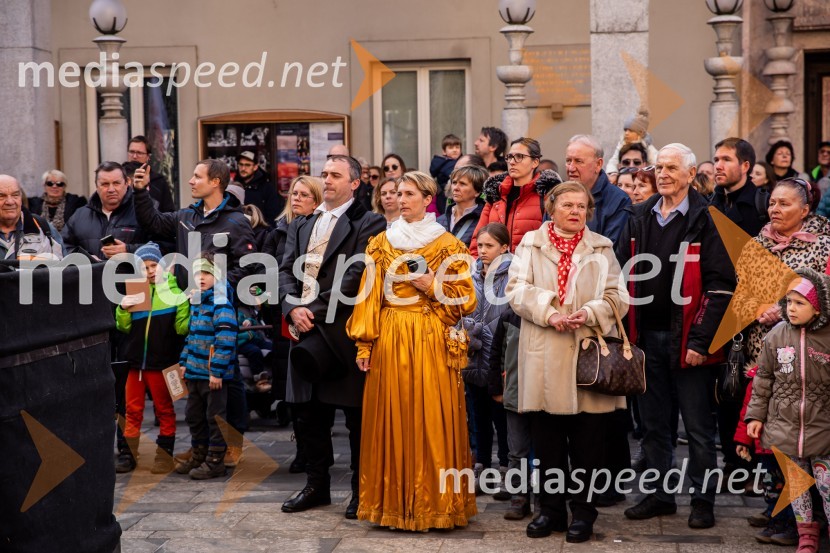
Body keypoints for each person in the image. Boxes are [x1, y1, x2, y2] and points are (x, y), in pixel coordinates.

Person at [346, 170, 477, 531]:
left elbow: (466, 300)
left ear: (428, 199)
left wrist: (432, 285)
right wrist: (364, 344)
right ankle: (393, 507)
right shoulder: (381, 243)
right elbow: (368, 297)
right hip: (390, 336)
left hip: (431, 337)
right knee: (392, 417)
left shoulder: (447, 244)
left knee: (432, 417)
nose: (401, 200)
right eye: (397, 193)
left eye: (409, 194)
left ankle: (435, 506)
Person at [617, 143, 736, 529]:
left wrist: (700, 341)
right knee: (653, 425)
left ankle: (703, 500)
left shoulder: (708, 218)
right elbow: (620, 271)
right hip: (645, 337)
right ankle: (659, 495)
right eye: (659, 167)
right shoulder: (639, 216)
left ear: (690, 174)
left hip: (688, 340)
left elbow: (721, 286)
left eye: (671, 168)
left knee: (698, 428)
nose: (663, 174)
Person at [506, 180, 627, 542]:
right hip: (544, 353)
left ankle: (584, 514)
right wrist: (550, 312)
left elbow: (617, 296)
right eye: (568, 205)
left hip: (589, 357)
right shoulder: (530, 243)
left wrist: (590, 312)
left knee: (589, 446)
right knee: (548, 445)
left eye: (581, 206)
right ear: (551, 208)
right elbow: (516, 289)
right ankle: (551, 511)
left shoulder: (601, 247)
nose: (575, 212)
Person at [278, 155, 386, 519]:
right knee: (309, 415)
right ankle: (316, 486)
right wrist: (291, 308)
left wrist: (311, 310)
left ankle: (360, 491)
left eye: (335, 175)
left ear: (354, 183)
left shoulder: (369, 222)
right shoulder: (302, 223)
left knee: (355, 419)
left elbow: (357, 276)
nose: (326, 180)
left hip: (342, 332)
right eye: (324, 174)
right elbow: (284, 269)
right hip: (302, 330)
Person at [745, 268, 830, 553]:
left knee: (826, 486)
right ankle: (806, 534)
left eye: (799, 303)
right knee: (797, 486)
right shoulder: (777, 335)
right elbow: (763, 379)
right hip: (786, 426)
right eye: (788, 302)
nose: (791, 308)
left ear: (817, 308)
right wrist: (755, 416)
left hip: (823, 428)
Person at [114, 242, 189, 474]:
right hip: (135, 364)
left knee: (164, 409)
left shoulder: (175, 294)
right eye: (144, 267)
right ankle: (128, 454)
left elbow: (182, 328)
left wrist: (188, 305)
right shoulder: (136, 292)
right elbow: (124, 327)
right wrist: (122, 309)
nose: (150, 271)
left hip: (162, 364)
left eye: (154, 265)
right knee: (132, 410)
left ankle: (164, 456)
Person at [174, 253, 238, 479]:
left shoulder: (221, 304)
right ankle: (199, 454)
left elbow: (225, 339)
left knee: (215, 418)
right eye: (197, 273)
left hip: (212, 377)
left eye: (207, 273)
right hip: (194, 373)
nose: (201, 277)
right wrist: (184, 362)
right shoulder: (197, 302)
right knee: (194, 415)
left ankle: (215, 461)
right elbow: (191, 337)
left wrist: (217, 371)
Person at [462, 223, 511, 496]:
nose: (482, 251)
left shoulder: (513, 274)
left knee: (501, 417)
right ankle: (482, 468)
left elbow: (511, 314)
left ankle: (505, 468)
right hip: (473, 356)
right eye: (480, 245)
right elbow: (460, 310)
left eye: (489, 246)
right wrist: (468, 332)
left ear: (504, 247)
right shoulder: (469, 274)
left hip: (498, 358)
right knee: (478, 417)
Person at [469, 137, 561, 256]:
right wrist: (477, 264)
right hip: (496, 265)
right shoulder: (496, 193)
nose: (512, 162)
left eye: (519, 156)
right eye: (510, 157)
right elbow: (477, 239)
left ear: (535, 162)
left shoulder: (547, 195)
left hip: (530, 265)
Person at [62, 161, 150, 259]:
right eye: (105, 184)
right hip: (90, 269)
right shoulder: (79, 216)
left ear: (127, 183)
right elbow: (64, 247)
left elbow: (160, 245)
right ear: (96, 186)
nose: (111, 189)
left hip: (132, 269)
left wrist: (129, 250)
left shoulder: (144, 211)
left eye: (116, 183)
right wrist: (85, 258)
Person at [565, 134, 632, 245]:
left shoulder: (619, 201)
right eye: (568, 161)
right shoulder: (557, 197)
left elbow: (609, 248)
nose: (571, 168)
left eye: (578, 161)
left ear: (598, 164)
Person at [711, 137, 767, 237]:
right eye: (716, 160)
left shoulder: (764, 204)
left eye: (726, 159)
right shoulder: (709, 203)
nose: (718, 166)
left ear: (745, 166)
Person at [0, 175, 63, 260]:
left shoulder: (43, 227)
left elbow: (64, 265)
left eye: (15, 195)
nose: (10, 202)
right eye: (2, 196)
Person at [437, 165, 487, 248]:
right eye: (454, 183)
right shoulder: (440, 220)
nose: (456, 188)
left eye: (462, 184)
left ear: (477, 192)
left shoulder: (484, 220)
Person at [127, 136, 176, 213]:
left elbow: (168, 211)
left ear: (148, 157)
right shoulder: (120, 177)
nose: (134, 156)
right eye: (132, 152)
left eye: (139, 153)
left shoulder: (158, 181)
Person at [604, 107, 659, 176]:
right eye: (625, 130)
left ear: (640, 133)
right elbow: (613, 161)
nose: (626, 133)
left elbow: (657, 163)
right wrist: (612, 173)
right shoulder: (622, 144)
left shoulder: (647, 147)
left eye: (631, 131)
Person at [236, 151, 284, 226]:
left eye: (247, 165)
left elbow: (273, 215)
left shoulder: (267, 188)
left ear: (255, 167)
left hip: (260, 230)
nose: (243, 168)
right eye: (241, 164)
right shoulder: (234, 186)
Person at [429, 133, 462, 214]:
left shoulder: (460, 161)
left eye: (457, 147)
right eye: (451, 148)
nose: (455, 150)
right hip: (444, 196)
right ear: (444, 151)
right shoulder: (445, 163)